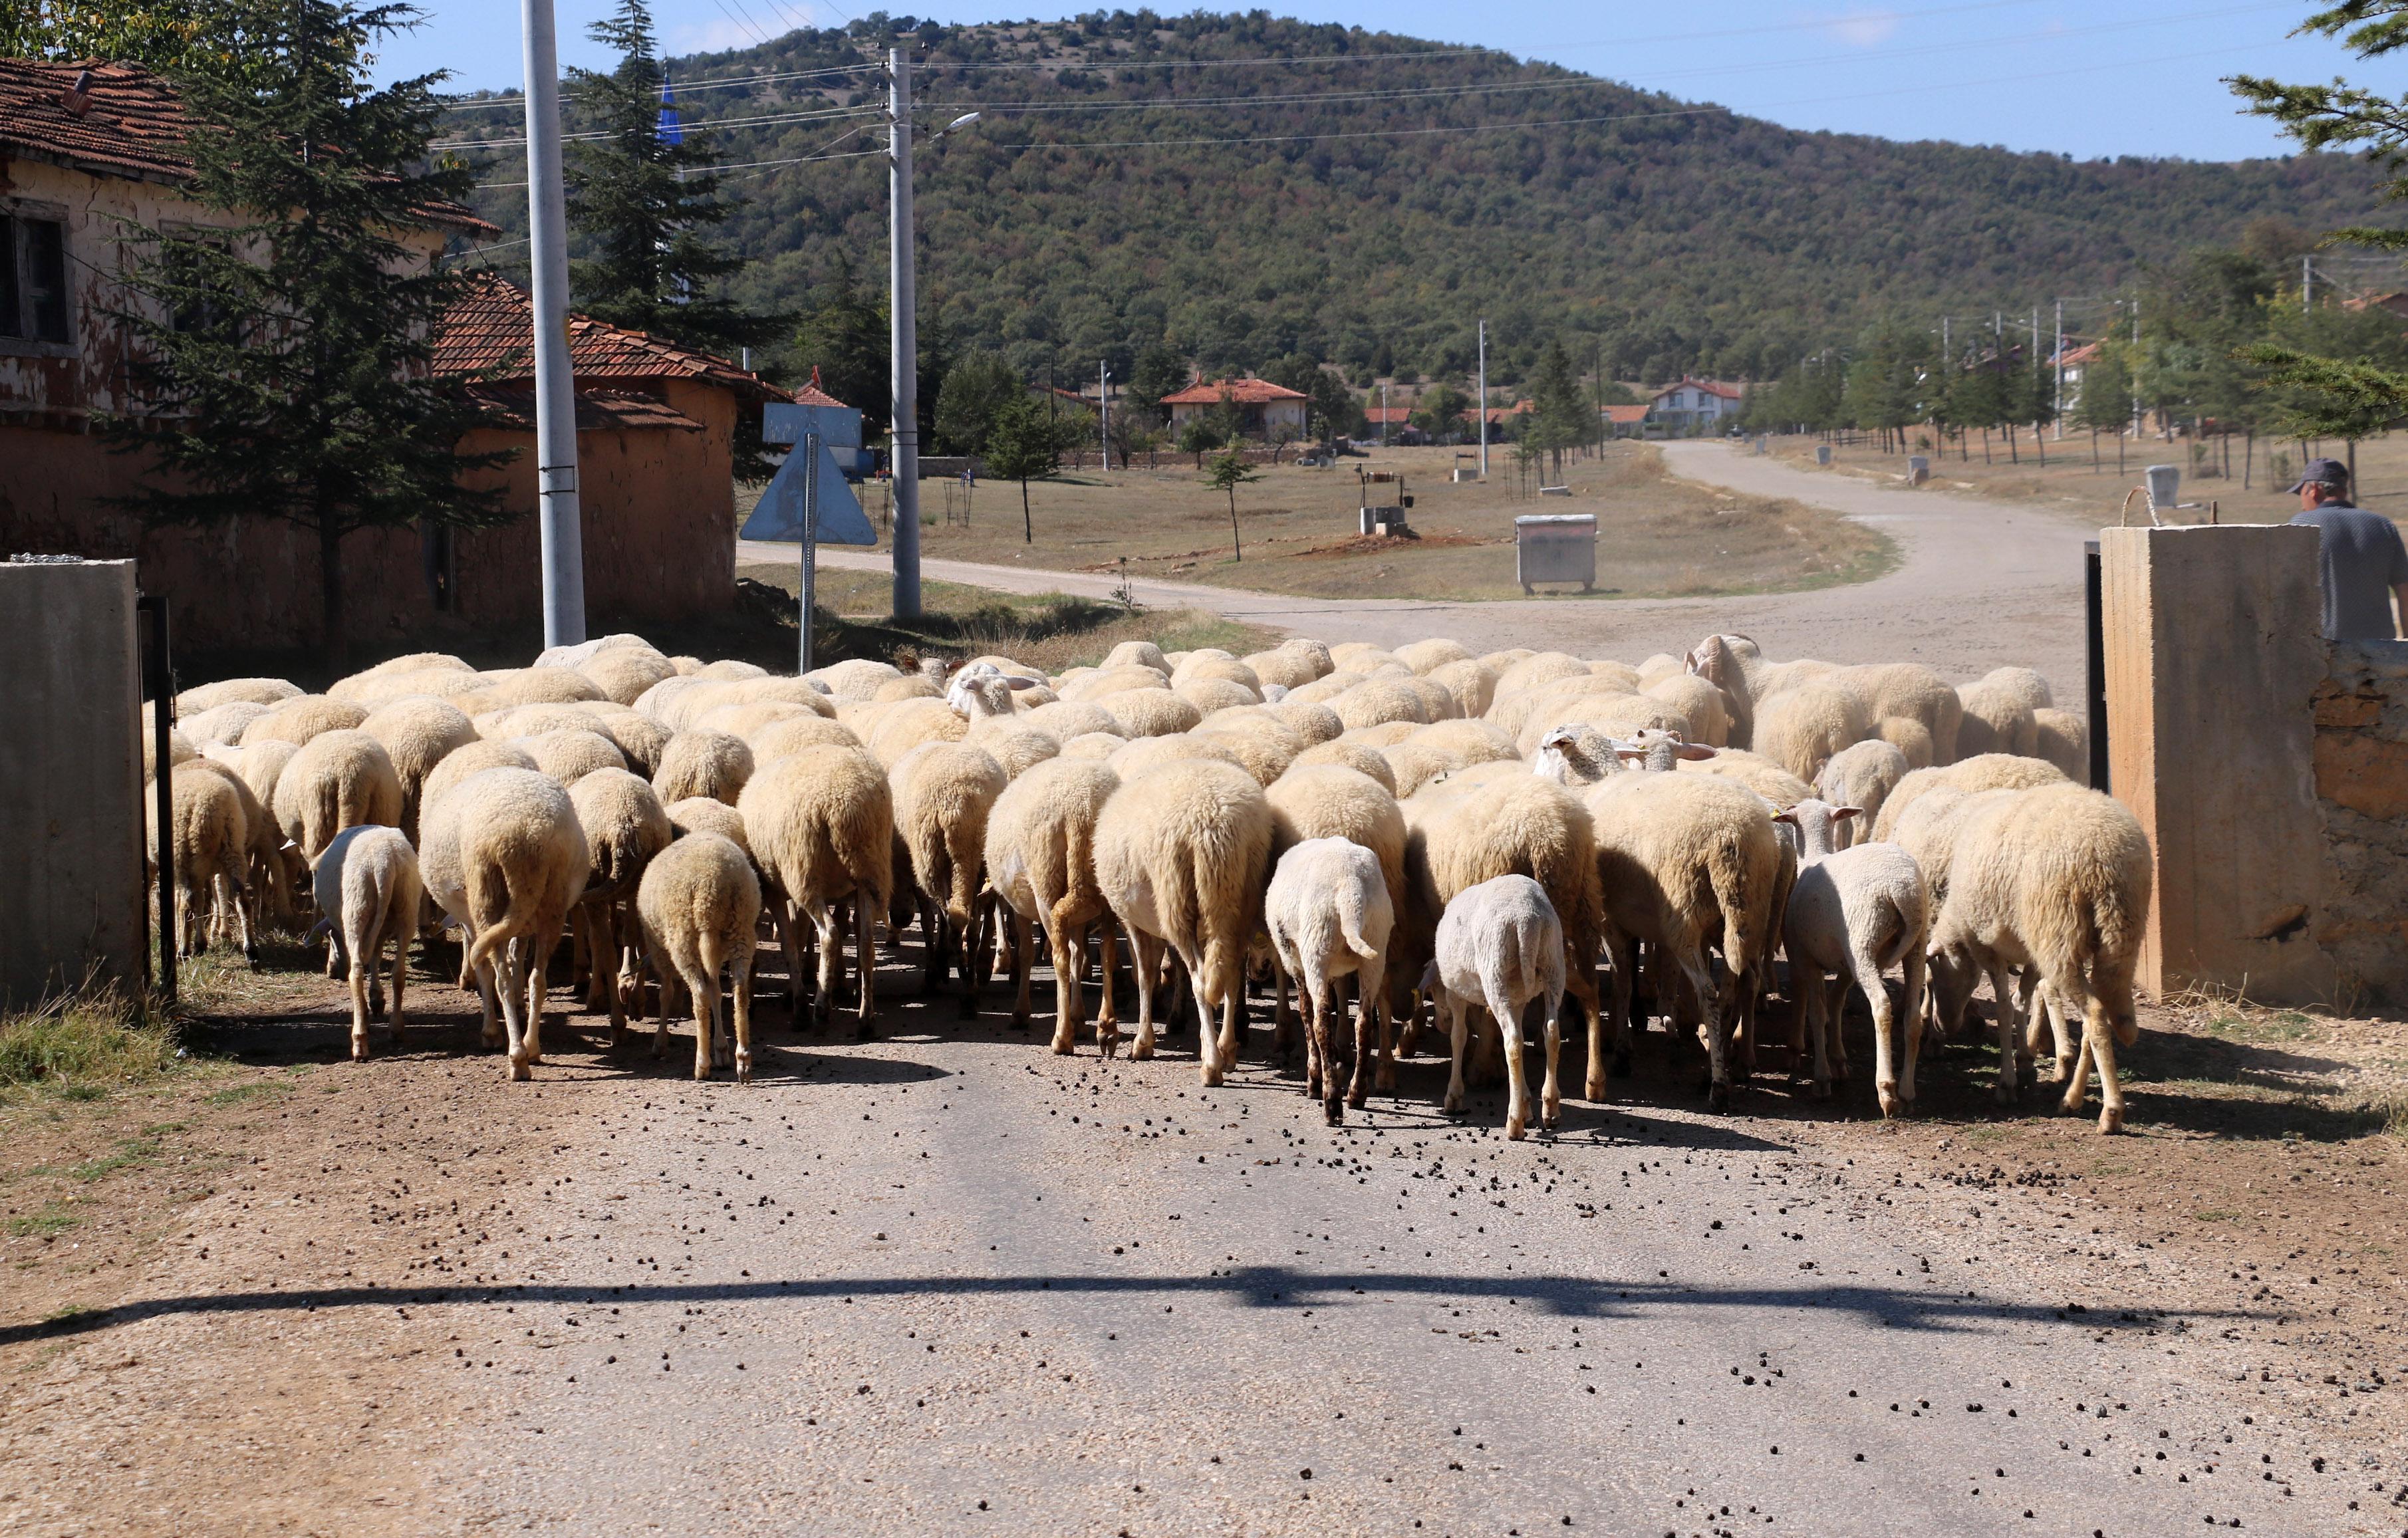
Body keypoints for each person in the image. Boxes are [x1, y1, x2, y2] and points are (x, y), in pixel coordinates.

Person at [2288, 458, 2408, 641]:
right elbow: (2404, 590)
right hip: (2381, 651)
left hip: (2326, 650)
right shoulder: (2383, 526)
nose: (2302, 504)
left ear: (2314, 489)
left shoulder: (2302, 525)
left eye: (2301, 493)